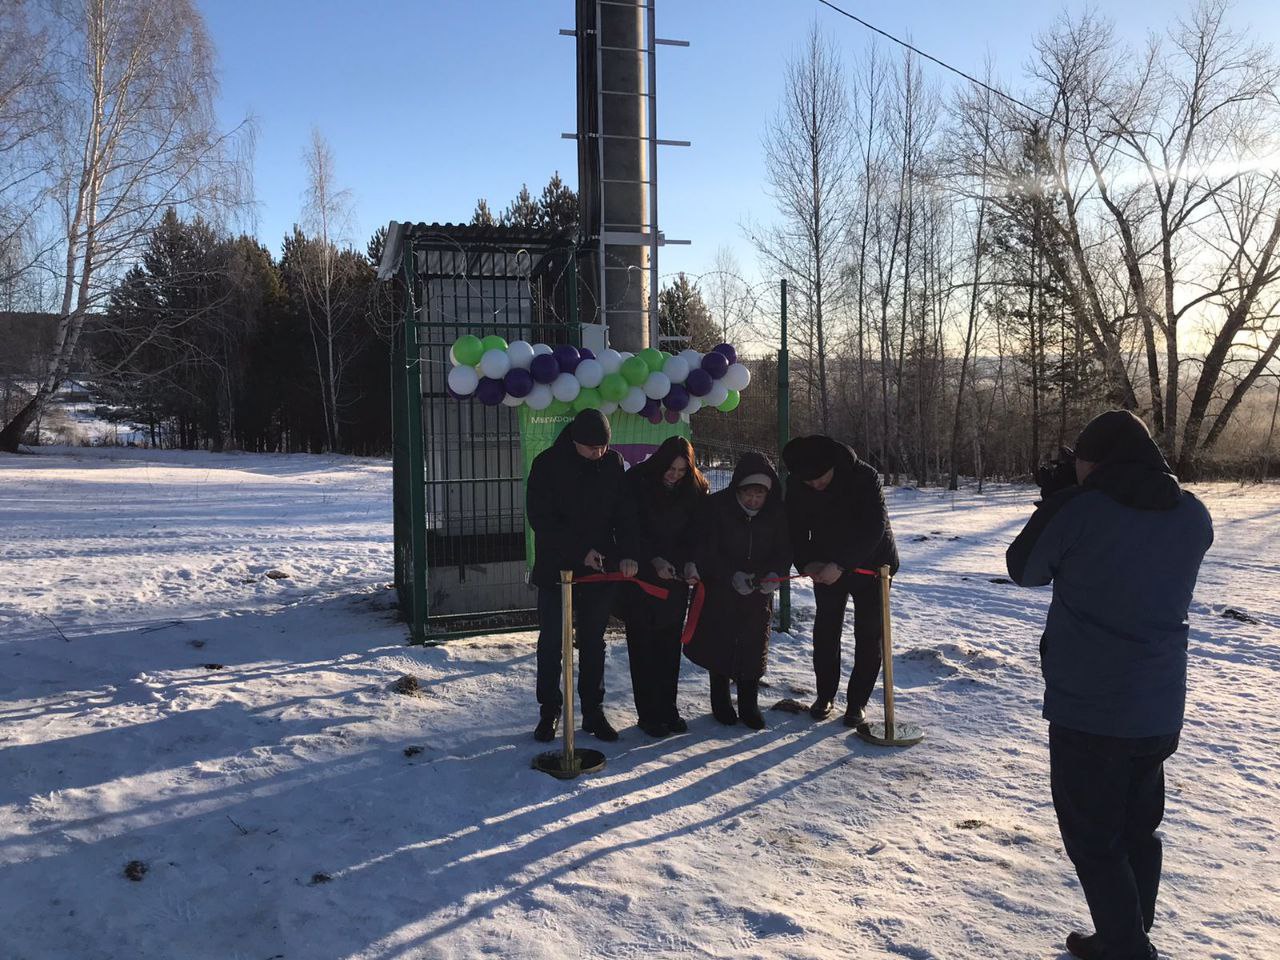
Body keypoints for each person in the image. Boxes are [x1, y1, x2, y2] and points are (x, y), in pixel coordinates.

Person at [1006, 410, 1214, 960]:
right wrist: (1078, 496)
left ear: (1093, 462)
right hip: (1159, 703)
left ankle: (1126, 947)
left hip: (1090, 705)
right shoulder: (1193, 513)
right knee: (1137, 830)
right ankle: (1129, 933)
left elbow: (1024, 569)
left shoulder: (1081, 510)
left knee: (1093, 838)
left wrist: (1059, 502)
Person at [526, 409, 639, 744]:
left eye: (604, 446)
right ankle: (549, 710)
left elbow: (625, 513)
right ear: (575, 440)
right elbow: (542, 519)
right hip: (556, 569)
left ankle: (593, 711)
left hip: (598, 570)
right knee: (552, 642)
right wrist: (580, 552)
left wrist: (627, 553)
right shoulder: (547, 465)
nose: (599, 453)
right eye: (592, 448)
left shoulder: (613, 463)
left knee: (593, 642)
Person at [782, 435, 899, 727]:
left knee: (869, 634)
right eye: (809, 482)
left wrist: (842, 564)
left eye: (820, 478)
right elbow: (795, 529)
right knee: (826, 629)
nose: (815, 485)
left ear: (832, 465)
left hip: (873, 565)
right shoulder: (797, 484)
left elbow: (874, 528)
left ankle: (857, 702)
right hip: (825, 563)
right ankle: (825, 695)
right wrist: (808, 563)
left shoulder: (864, 476)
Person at [683, 452, 791, 730]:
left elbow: (783, 551)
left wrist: (774, 574)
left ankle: (749, 705)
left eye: (759, 495)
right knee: (719, 645)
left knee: (753, 648)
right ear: (737, 490)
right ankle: (720, 702)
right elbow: (706, 550)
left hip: (758, 595)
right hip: (721, 591)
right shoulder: (716, 508)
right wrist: (730, 575)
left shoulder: (776, 514)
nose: (753, 501)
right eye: (748, 495)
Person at [616, 436, 709, 738]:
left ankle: (668, 708)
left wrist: (691, 563)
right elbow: (629, 529)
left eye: (682, 471)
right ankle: (648, 714)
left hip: (675, 579)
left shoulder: (695, 488)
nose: (674, 475)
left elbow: (698, 534)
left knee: (669, 647)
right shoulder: (637, 482)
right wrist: (652, 559)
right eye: (671, 469)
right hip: (642, 577)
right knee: (643, 647)